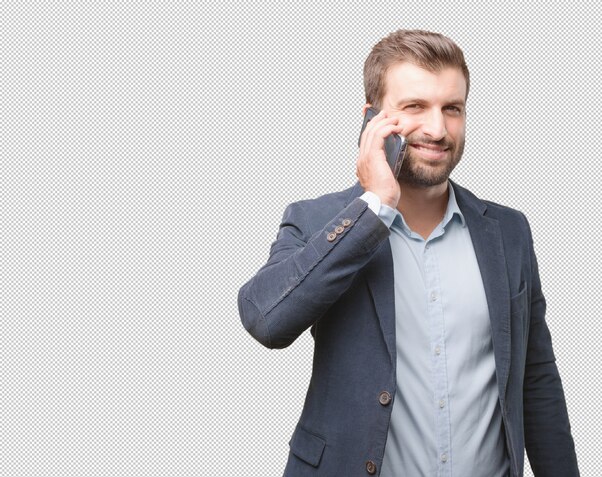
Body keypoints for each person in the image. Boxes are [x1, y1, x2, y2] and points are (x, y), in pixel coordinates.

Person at [238, 30, 579, 477]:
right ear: (371, 119)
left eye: (452, 109)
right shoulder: (318, 219)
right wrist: (373, 209)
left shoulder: (508, 231)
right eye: (415, 107)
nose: (437, 130)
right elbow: (265, 320)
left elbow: (535, 377)